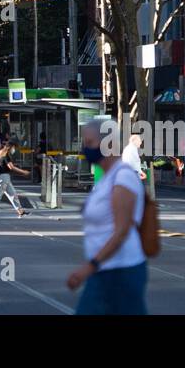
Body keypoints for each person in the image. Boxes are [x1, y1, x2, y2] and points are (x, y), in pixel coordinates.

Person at [66, 118, 148, 315]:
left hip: (120, 270)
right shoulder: (106, 178)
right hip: (106, 270)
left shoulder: (123, 177)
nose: (85, 149)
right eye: (84, 143)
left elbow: (122, 231)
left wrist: (90, 266)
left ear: (108, 144)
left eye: (90, 143)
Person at [0, 141, 28, 217]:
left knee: (13, 194)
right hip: (3, 178)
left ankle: (20, 212)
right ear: (9, 147)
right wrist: (23, 172)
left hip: (5, 177)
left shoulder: (1, 154)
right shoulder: (5, 155)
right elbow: (11, 167)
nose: (14, 149)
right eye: (13, 147)